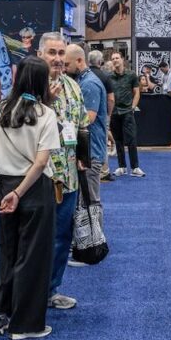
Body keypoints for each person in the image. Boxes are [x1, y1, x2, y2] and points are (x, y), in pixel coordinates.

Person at [0, 56, 60, 340]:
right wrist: (20, 192)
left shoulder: (1, 109)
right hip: (33, 188)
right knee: (33, 256)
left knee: (7, 252)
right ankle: (26, 325)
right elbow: (41, 162)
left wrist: (12, 192)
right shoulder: (46, 114)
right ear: (42, 81)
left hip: (5, 185)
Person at [38, 32, 88, 311]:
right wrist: (44, 102)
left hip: (68, 176)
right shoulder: (29, 87)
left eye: (60, 54)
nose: (57, 59)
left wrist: (83, 157)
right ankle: (30, 292)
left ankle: (50, 290)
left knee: (61, 237)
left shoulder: (73, 86)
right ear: (40, 54)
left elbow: (81, 126)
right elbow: (20, 125)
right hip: (38, 177)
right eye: (52, 53)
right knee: (36, 239)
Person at [65, 43, 108, 255]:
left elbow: (87, 119)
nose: (64, 68)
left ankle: (95, 244)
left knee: (92, 199)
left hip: (91, 151)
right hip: (88, 149)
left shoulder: (89, 84)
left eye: (67, 64)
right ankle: (89, 240)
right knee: (87, 198)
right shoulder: (82, 81)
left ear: (79, 61)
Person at [109, 51, 144, 177]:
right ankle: (121, 167)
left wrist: (133, 107)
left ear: (122, 60)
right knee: (118, 140)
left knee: (131, 140)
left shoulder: (131, 75)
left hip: (127, 112)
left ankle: (135, 167)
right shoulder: (109, 77)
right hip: (114, 112)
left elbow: (137, 92)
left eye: (117, 58)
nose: (115, 60)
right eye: (113, 58)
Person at [88, 50, 116, 182]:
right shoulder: (105, 77)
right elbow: (111, 99)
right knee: (102, 142)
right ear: (100, 62)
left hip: (85, 114)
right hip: (100, 115)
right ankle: (103, 171)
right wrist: (108, 115)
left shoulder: (84, 75)